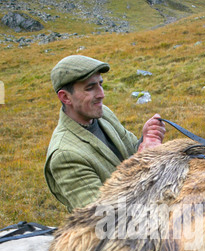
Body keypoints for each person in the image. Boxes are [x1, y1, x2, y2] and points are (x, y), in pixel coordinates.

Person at [45, 55, 166, 212]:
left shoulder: (103, 114)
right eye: (90, 88)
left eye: (100, 84)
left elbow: (131, 150)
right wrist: (143, 163)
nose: (101, 94)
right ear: (65, 97)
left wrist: (146, 139)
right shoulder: (65, 155)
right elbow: (102, 215)